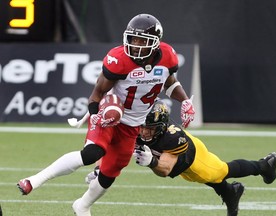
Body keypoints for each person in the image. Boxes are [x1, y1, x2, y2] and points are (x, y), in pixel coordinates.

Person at [17, 14, 195, 216]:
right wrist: (96, 115)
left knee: (109, 174)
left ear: (155, 44)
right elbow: (97, 93)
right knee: (91, 154)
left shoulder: (168, 57)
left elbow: (169, 83)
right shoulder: (119, 60)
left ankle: (82, 206)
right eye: (133, 39)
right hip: (110, 116)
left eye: (142, 41)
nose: (135, 45)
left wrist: (186, 100)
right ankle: (34, 180)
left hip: (133, 125)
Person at [131, 101, 276, 216]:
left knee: (219, 171)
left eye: (150, 128)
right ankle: (230, 192)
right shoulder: (136, 123)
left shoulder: (172, 138)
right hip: (177, 155)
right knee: (210, 178)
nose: (144, 132)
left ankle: (263, 166)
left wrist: (152, 162)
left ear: (162, 127)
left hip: (192, 158)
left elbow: (165, 169)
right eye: (142, 127)